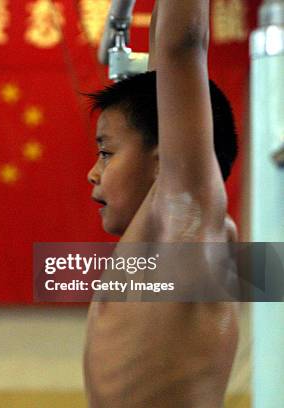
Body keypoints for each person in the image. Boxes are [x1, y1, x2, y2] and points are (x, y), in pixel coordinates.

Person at [83, 0, 239, 406]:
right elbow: (162, 76)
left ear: (163, 160)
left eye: (105, 153)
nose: (92, 173)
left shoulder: (186, 225)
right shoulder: (158, 240)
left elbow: (180, 48)